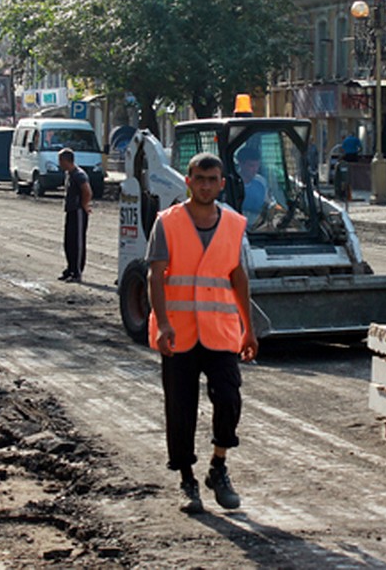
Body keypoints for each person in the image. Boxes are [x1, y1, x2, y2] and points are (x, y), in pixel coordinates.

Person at [147, 152, 258, 514]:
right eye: (199, 179)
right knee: (180, 408)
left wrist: (248, 329)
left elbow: (237, 277)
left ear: (222, 183)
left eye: (212, 179)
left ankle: (218, 466)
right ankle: (186, 481)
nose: (206, 185)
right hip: (178, 333)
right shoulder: (167, 223)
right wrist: (163, 323)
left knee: (228, 398)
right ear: (188, 181)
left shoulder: (234, 224)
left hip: (221, 332)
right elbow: (155, 276)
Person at [58, 148, 92, 282]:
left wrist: (84, 205)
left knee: (77, 243)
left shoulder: (79, 174)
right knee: (68, 242)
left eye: (60, 160)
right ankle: (70, 268)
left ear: (67, 161)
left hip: (78, 211)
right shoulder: (69, 174)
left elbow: (87, 191)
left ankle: (77, 272)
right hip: (71, 211)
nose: (59, 163)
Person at [236, 146, 269, 220]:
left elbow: (267, 203)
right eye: (251, 166)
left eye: (257, 165)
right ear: (241, 164)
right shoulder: (233, 183)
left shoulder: (261, 181)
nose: (255, 169)